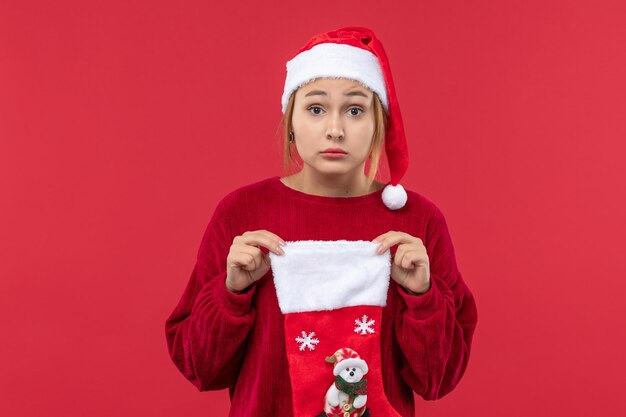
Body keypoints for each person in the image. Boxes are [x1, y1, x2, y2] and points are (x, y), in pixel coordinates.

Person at [165, 26, 478, 416]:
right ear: (290, 120)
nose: (335, 129)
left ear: (378, 122)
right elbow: (201, 369)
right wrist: (232, 293)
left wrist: (423, 297)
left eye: (355, 109)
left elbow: (438, 380)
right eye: (316, 109)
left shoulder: (418, 221)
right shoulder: (241, 214)